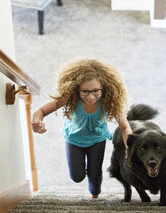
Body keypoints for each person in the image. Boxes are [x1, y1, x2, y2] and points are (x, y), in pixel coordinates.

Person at [31, 57, 133, 199]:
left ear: (104, 87)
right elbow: (40, 112)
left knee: (95, 173)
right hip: (74, 140)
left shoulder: (109, 100)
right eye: (85, 91)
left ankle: (95, 196)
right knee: (77, 177)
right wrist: (37, 122)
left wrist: (129, 146)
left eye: (95, 91)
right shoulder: (69, 97)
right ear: (76, 89)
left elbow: (125, 127)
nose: (91, 96)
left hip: (97, 140)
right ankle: (84, 170)